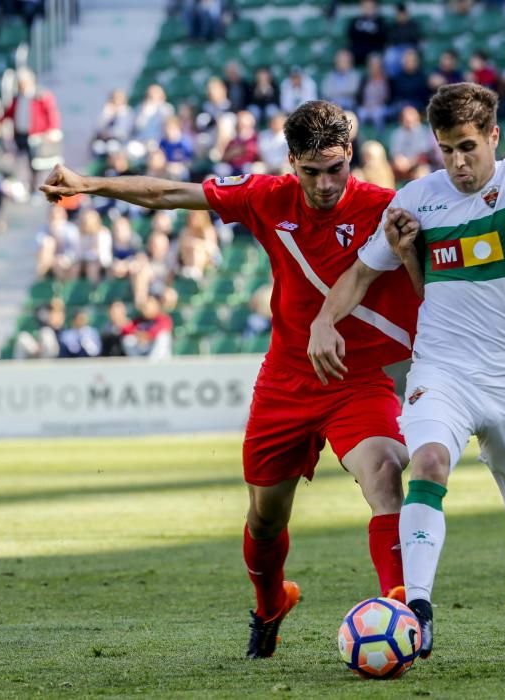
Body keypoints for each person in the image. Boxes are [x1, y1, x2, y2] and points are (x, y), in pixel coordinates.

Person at [40, 100, 422, 659]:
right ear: (291, 161)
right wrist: (88, 184)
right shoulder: (267, 197)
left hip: (357, 381)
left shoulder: (386, 208)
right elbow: (171, 193)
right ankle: (270, 604)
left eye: (334, 169)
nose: (323, 184)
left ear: (351, 157)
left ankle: (402, 607)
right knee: (266, 520)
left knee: (386, 472)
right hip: (286, 382)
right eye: (310, 171)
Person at [308, 83, 505, 660]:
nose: (458, 162)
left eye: (469, 147)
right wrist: (325, 319)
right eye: (446, 149)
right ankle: (415, 611)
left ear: (494, 137)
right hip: (443, 368)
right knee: (426, 462)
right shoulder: (419, 198)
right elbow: (360, 275)